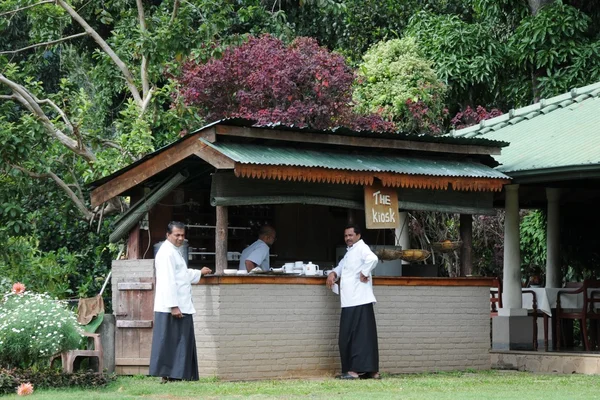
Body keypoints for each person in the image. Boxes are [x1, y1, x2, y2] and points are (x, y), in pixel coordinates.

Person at [149, 221, 212, 382]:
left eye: (182, 235)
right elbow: (168, 281)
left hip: (179, 305)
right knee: (172, 341)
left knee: (178, 341)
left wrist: (199, 273)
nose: (180, 238)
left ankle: (174, 375)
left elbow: (181, 275)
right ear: (168, 235)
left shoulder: (174, 251)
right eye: (177, 235)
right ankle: (170, 375)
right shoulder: (167, 253)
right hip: (172, 307)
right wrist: (174, 306)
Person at [326, 224, 380, 380]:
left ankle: (353, 371)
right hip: (352, 301)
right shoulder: (351, 252)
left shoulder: (362, 248)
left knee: (353, 337)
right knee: (364, 336)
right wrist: (333, 273)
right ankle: (371, 371)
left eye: (350, 235)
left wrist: (364, 272)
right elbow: (342, 266)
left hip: (358, 299)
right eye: (345, 236)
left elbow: (373, 258)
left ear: (358, 236)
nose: (347, 238)